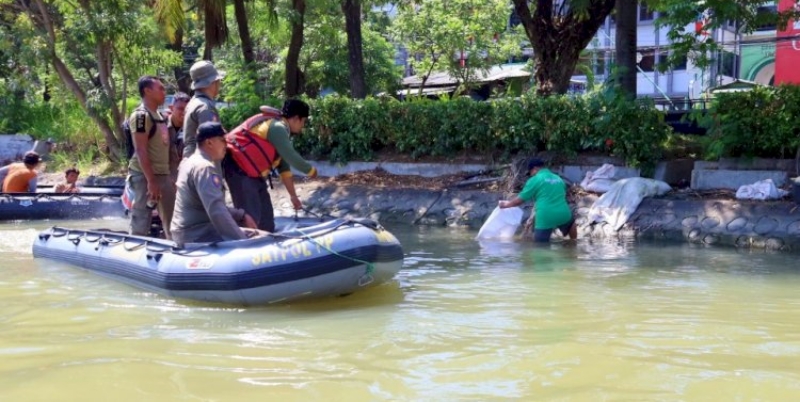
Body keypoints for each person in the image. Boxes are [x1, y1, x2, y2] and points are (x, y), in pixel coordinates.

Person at [222, 99, 319, 232]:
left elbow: (284, 169)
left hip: (254, 174)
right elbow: (291, 156)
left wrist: (293, 197)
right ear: (296, 118)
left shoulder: (281, 132)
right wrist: (311, 171)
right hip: (239, 170)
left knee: (266, 222)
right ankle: (246, 244)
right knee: (251, 219)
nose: (303, 126)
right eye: (304, 121)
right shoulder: (277, 128)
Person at [171, 122, 257, 247]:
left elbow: (206, 205)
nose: (226, 146)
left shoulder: (190, 162)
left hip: (188, 232)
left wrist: (240, 215)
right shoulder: (204, 168)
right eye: (222, 140)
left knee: (255, 234)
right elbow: (216, 211)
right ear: (209, 143)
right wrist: (242, 242)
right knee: (260, 239)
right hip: (197, 234)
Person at [127, 75, 176, 240]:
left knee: (172, 218)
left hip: (163, 174)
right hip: (144, 176)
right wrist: (151, 181)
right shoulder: (141, 116)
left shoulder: (160, 115)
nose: (164, 92)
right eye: (160, 88)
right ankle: (134, 249)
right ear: (147, 91)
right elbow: (140, 149)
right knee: (141, 218)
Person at [498, 158, 577, 243]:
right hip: (563, 213)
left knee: (540, 248)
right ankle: (573, 244)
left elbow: (520, 200)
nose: (531, 175)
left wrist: (505, 205)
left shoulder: (535, 180)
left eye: (531, 172)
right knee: (571, 223)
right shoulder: (558, 179)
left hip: (545, 216)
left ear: (535, 169)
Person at [183, 61, 224, 159]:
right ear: (213, 82)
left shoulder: (194, 102)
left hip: (193, 161)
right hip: (204, 165)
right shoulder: (205, 107)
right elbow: (211, 143)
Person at [168, 92, 190, 182]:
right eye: (180, 108)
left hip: (185, 179)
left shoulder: (193, 128)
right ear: (172, 108)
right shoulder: (160, 126)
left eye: (187, 109)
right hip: (165, 179)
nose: (184, 112)